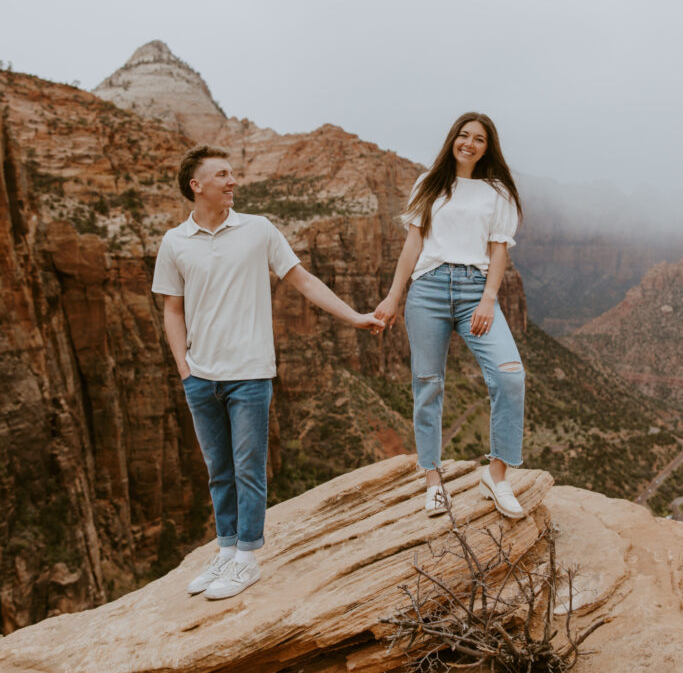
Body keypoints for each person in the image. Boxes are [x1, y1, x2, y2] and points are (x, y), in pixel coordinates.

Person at [152, 145, 384, 600]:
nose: (233, 181)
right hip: (201, 376)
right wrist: (184, 366)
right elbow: (171, 308)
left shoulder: (259, 230)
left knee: (248, 467)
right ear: (196, 186)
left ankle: (246, 559)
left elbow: (303, 280)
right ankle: (225, 549)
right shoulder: (174, 241)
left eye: (233, 173)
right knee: (218, 469)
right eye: (222, 175)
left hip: (250, 374)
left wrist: (354, 317)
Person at [374, 112, 525, 519]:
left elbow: (499, 250)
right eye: (463, 135)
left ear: (487, 147)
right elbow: (413, 244)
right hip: (429, 289)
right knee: (427, 384)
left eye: (479, 138)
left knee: (510, 375)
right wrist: (393, 297)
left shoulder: (499, 192)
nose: (469, 143)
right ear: (452, 139)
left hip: (477, 289)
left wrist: (489, 298)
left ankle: (497, 476)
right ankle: (433, 480)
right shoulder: (430, 183)